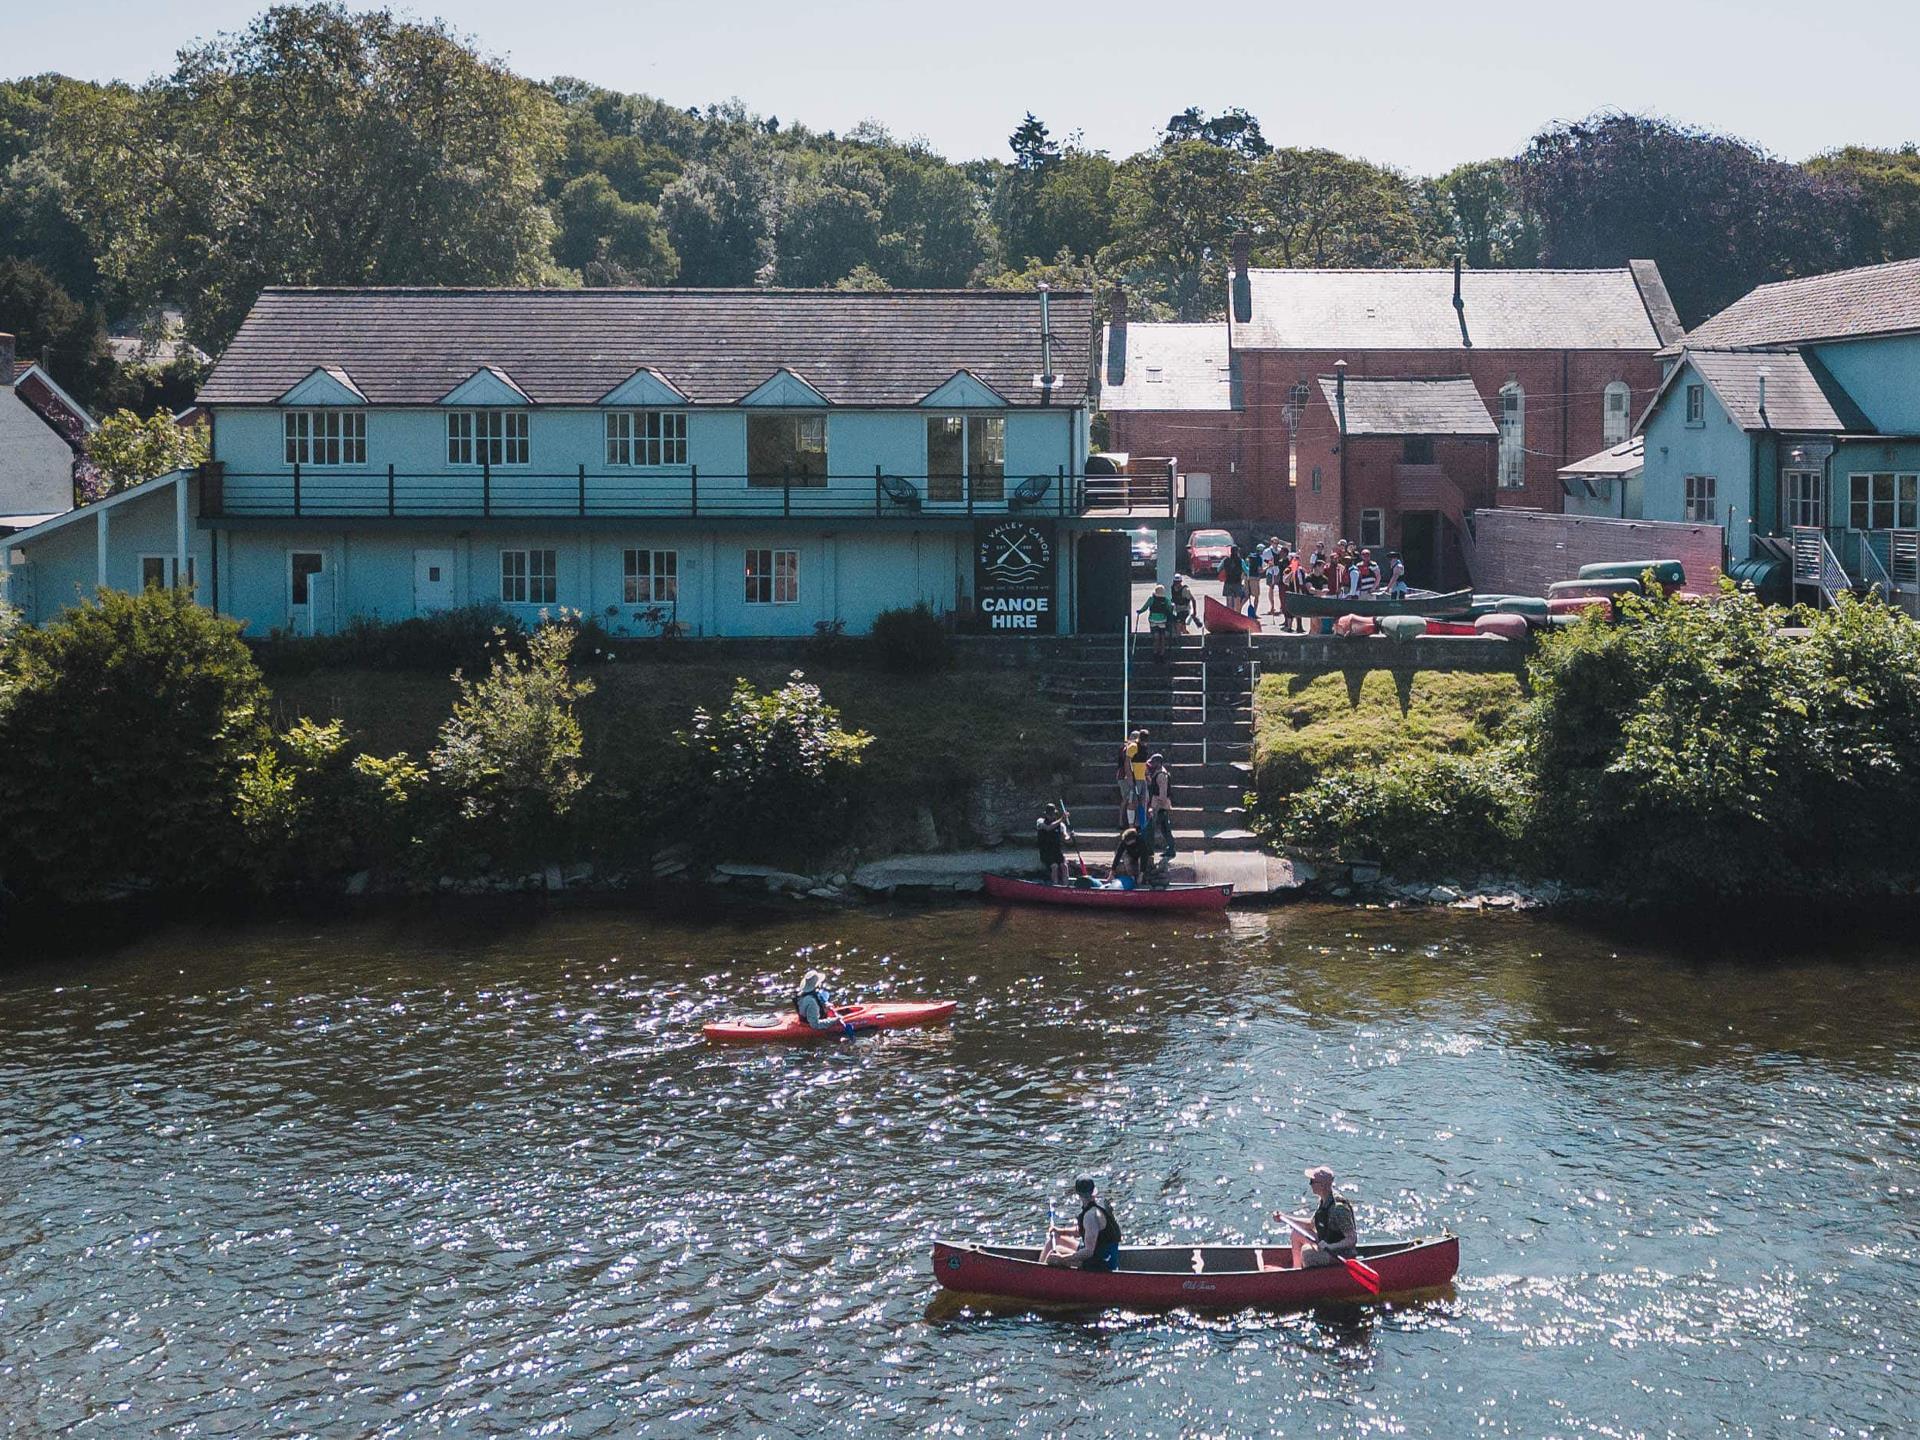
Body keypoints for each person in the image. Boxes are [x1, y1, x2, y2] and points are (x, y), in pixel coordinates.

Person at [1276, 1165, 1358, 1269]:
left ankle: (1308, 1279)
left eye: (1312, 1181)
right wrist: (1285, 1218)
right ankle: (1296, 1269)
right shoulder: (1324, 1201)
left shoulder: (1339, 1209)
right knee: (1296, 1233)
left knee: (1308, 1254)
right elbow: (1311, 1224)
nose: (1310, 1184)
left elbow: (1352, 1239)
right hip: (1327, 1243)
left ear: (1322, 1185)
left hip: (1341, 1253)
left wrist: (1330, 1246)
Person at [1044, 1177, 1122, 1270]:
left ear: (1078, 1194)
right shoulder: (1098, 1207)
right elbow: (1085, 1231)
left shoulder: (1090, 1216)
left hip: (1102, 1263)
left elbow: (1088, 1252)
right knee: (1054, 1240)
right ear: (1093, 1191)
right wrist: (1060, 1231)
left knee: (1053, 1256)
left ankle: (1039, 1277)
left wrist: (1062, 1259)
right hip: (1102, 1254)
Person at [795, 969, 855, 1038]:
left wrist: (825, 1005)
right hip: (810, 1023)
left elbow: (818, 1000)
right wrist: (834, 1020)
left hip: (806, 1017)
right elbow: (815, 1024)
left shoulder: (803, 994)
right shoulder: (812, 1002)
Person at [1145, 753, 1175, 860]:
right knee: (1164, 828)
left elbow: (1162, 794)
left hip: (1160, 807)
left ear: (1158, 763)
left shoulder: (1162, 775)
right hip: (1159, 806)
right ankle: (1170, 848)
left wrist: (1156, 809)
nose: (1151, 764)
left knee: (1152, 828)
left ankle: (1150, 850)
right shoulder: (1158, 773)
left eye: (1153, 762)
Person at [1036, 802, 1075, 885]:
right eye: (1049, 814)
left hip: (1057, 850)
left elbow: (1066, 838)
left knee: (1064, 866)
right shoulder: (1040, 821)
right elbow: (1048, 828)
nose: (1051, 816)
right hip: (1046, 851)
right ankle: (1055, 885)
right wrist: (1062, 818)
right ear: (1046, 814)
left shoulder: (1061, 825)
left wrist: (1071, 837)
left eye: (1053, 814)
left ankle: (1066, 886)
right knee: (1055, 866)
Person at [1115, 728, 1146, 827]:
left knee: (1130, 800)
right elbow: (1126, 763)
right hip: (1124, 777)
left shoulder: (1132, 748)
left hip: (1129, 776)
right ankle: (1122, 822)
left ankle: (1128, 822)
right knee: (1128, 799)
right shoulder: (1128, 748)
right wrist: (1129, 777)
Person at [1137, 584, 1174, 661]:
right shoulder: (1166, 600)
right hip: (1163, 621)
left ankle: (1155, 653)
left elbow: (1145, 607)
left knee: (1156, 637)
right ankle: (1162, 654)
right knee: (1163, 638)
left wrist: (1140, 611)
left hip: (1152, 620)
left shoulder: (1151, 599)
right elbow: (1170, 609)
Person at [1220, 546, 1246, 611]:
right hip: (1237, 582)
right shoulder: (1240, 560)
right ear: (1237, 552)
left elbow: (1218, 569)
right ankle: (1236, 614)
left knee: (1229, 601)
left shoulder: (1225, 560)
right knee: (1237, 599)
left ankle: (1229, 615)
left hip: (1228, 582)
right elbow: (1246, 570)